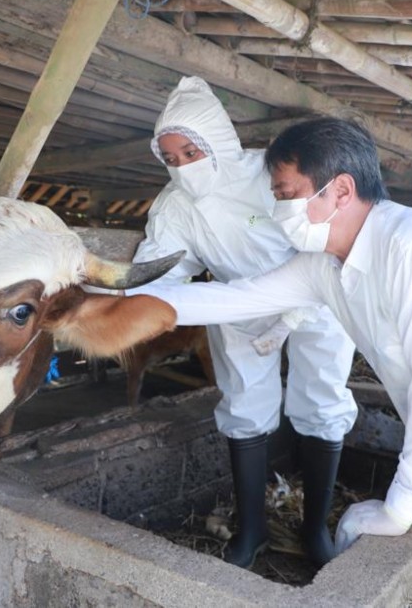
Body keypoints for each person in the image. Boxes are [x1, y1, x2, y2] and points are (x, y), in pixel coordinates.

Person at [139, 117, 412, 606]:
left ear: (341, 190)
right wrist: (132, 304)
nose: (278, 209)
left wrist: (403, 505)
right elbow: (237, 298)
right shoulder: (324, 264)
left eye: (286, 194)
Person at [129, 77, 357, 568]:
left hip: (315, 296)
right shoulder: (174, 205)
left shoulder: (266, 173)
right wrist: (122, 296)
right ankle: (252, 531)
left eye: (191, 152)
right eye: (170, 159)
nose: (183, 167)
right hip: (238, 305)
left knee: (322, 397)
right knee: (244, 406)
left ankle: (314, 527)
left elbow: (318, 236)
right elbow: (160, 267)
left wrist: (291, 314)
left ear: (216, 140)